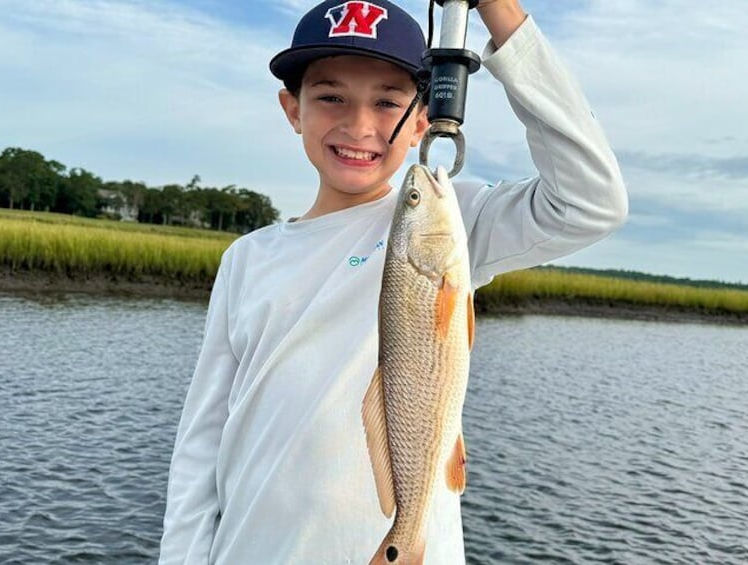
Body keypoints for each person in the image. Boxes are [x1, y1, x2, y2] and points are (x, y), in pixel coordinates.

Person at [159, 0, 627, 563]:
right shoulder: (247, 259)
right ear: (292, 108)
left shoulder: (451, 218)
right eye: (331, 96)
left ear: (424, 120)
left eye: (388, 102)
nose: (360, 126)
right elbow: (201, 441)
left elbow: (592, 202)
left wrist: (498, 11)